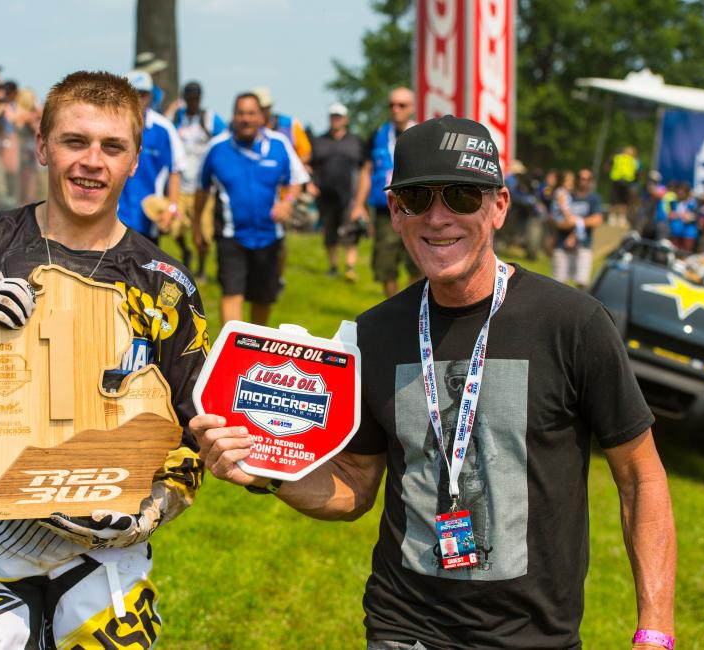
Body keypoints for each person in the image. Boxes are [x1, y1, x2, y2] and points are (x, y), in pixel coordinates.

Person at [191, 115, 676, 650]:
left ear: (499, 206)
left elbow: (641, 478)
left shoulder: (573, 324)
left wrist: (654, 630)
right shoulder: (373, 335)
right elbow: (354, 485)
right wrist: (266, 473)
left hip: (535, 637)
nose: (438, 218)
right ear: (395, 212)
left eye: (462, 197)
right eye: (417, 198)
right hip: (405, 628)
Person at [0, 70, 209, 647]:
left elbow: (196, 429)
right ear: (41, 146)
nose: (92, 162)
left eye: (112, 147)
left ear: (135, 160)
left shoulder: (164, 283)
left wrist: (153, 508)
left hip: (107, 546)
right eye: (74, 141)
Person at [193, 91, 308, 326]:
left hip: (269, 236)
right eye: (241, 113)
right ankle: (234, 345)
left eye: (251, 113)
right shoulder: (217, 148)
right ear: (233, 116)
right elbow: (201, 189)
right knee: (232, 293)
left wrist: (287, 203)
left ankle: (257, 344)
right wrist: (196, 226)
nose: (246, 119)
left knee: (263, 298)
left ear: (261, 116)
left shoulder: (279, 144)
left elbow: (297, 180)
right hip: (230, 235)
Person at [351, 86, 418, 297]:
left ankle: (414, 306)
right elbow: (366, 171)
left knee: (418, 262)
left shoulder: (422, 135)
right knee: (385, 263)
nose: (396, 109)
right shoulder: (378, 134)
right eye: (392, 105)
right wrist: (358, 205)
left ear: (412, 108)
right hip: (385, 210)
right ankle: (394, 307)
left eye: (402, 105)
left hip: (417, 207)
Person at [117, 69, 185, 246]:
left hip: (149, 218)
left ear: (150, 96)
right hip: (113, 216)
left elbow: (175, 170)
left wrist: (172, 207)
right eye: (133, 93)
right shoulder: (110, 124)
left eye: (143, 94)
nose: (138, 99)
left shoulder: (164, 129)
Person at [168, 80, 226, 276]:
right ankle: (186, 251)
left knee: (204, 231)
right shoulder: (177, 118)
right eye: (190, 98)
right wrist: (171, 110)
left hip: (203, 188)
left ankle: (201, 268)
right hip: (180, 186)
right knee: (174, 227)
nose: (193, 102)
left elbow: (225, 142)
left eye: (196, 98)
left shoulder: (210, 118)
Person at [309, 101, 364, 281]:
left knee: (351, 231)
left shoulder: (355, 141)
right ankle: (333, 267)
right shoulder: (319, 141)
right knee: (329, 233)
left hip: (350, 195)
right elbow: (308, 164)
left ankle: (350, 266)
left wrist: (361, 198)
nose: (336, 119)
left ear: (345, 119)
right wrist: (309, 183)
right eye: (333, 116)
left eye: (339, 116)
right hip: (325, 196)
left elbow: (365, 168)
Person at [551, 168, 603, 289]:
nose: (584, 181)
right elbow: (558, 222)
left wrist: (576, 222)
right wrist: (579, 222)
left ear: (591, 181)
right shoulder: (566, 195)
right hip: (562, 245)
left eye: (587, 179)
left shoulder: (594, 198)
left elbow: (597, 220)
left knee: (581, 284)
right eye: (581, 178)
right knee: (558, 286)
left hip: (583, 245)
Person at [609, 145, 639, 227]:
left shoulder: (618, 157)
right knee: (620, 200)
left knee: (619, 200)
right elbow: (637, 172)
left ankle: (616, 217)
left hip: (620, 180)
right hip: (623, 181)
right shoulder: (633, 161)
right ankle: (617, 217)